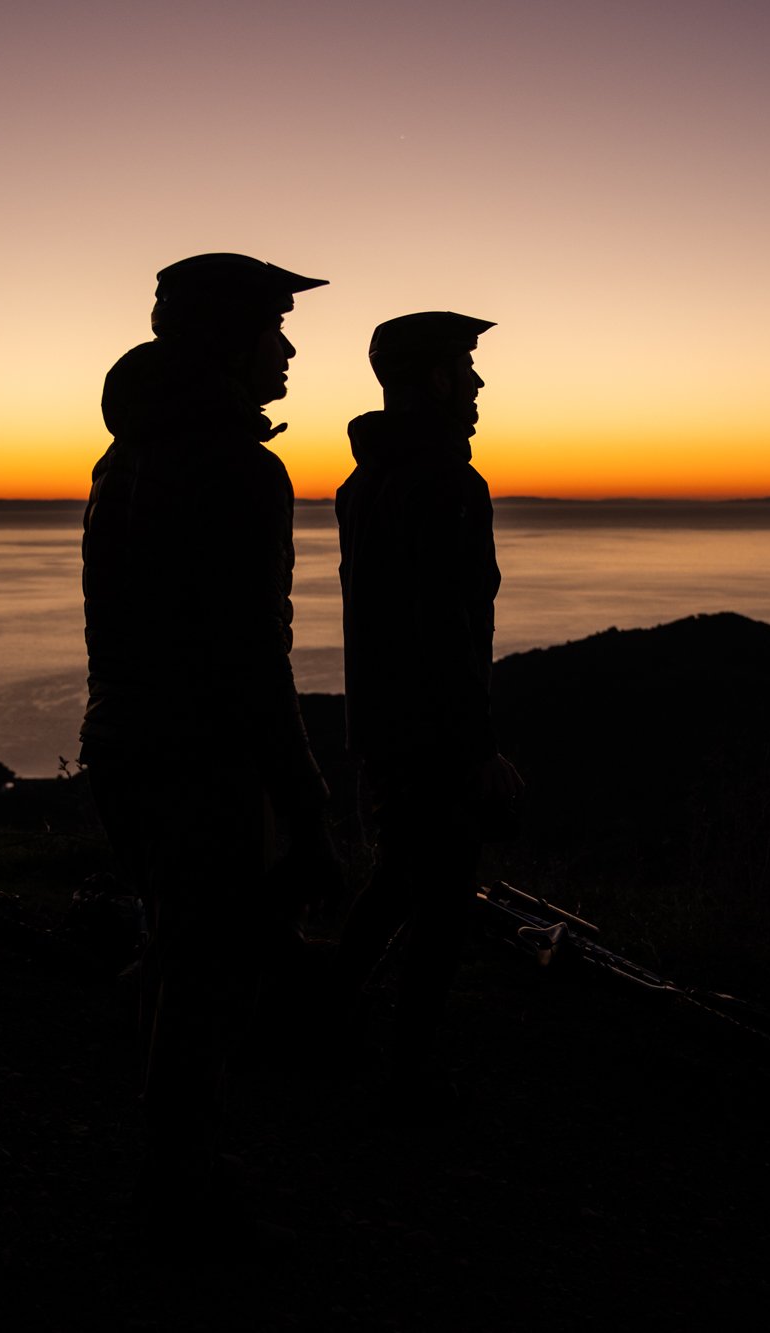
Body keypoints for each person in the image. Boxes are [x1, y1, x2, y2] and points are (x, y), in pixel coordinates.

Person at [81, 252, 339, 1246]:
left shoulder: (124, 456)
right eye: (273, 330)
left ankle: (173, 1159)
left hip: (121, 742)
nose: (286, 351)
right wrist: (305, 800)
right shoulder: (238, 466)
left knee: (178, 947)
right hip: (203, 755)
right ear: (229, 341)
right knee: (205, 973)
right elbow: (252, 654)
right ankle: (177, 1183)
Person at [332, 311, 521, 1111]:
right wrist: (478, 748)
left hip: (381, 724)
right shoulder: (448, 483)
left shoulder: (363, 482)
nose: (477, 384)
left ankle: (323, 1023)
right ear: (437, 378)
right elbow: (449, 626)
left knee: (397, 881)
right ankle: (406, 1077)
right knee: (441, 902)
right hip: (434, 733)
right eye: (465, 369)